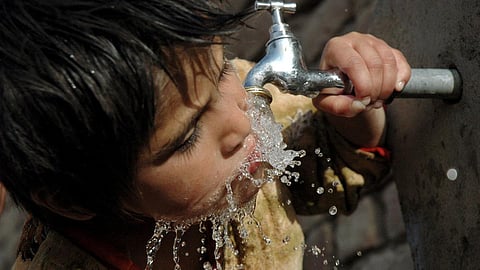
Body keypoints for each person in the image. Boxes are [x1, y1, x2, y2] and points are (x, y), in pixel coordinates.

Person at [0, 0, 410, 269]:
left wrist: (352, 106)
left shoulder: (246, 99)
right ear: (74, 198)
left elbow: (336, 163)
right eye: (186, 138)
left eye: (221, 68)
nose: (239, 122)